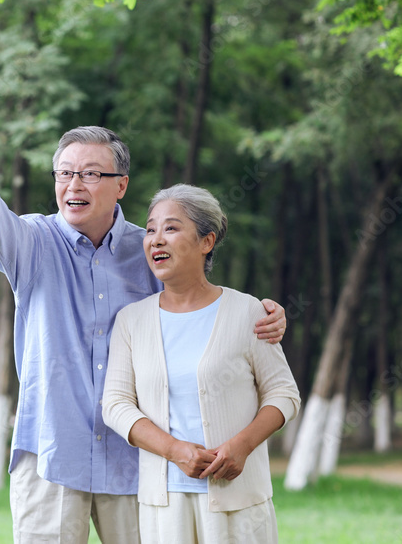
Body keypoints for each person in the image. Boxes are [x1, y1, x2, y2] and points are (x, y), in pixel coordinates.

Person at [0, 126, 288, 543]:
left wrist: (262, 314)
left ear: (121, 184)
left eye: (90, 174)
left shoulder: (147, 248)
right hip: (53, 453)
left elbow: (200, 309)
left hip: (140, 461)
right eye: (64, 173)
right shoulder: (34, 242)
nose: (74, 184)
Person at [102, 184, 300, 543]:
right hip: (164, 504)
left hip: (239, 500)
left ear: (206, 242)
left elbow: (284, 394)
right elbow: (115, 405)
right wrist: (175, 451)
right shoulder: (132, 321)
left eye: (171, 228)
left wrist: (241, 446)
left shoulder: (248, 312)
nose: (156, 240)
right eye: (150, 229)